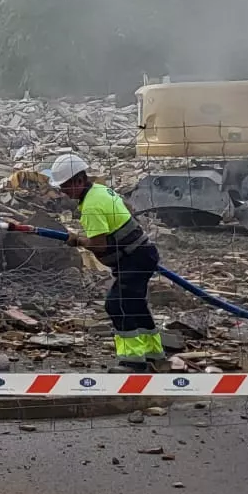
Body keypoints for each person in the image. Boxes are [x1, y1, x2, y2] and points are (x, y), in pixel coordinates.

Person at [45, 153, 163, 372]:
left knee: (116, 305)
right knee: (135, 304)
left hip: (133, 259)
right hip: (142, 253)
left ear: (79, 181)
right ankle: (153, 354)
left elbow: (99, 245)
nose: (62, 191)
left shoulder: (90, 206)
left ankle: (133, 362)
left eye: (65, 186)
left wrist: (77, 239)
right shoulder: (100, 191)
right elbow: (127, 210)